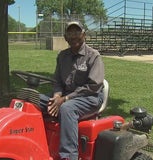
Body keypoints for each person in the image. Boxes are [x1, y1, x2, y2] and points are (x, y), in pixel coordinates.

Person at [40, 20, 105, 160]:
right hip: (66, 96)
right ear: (65, 37)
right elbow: (57, 81)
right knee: (33, 99)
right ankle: (38, 144)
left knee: (67, 108)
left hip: (91, 97)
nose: (73, 36)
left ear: (84, 35)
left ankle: (69, 156)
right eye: (70, 33)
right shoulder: (62, 56)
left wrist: (64, 99)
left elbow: (93, 86)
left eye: (77, 32)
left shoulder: (93, 55)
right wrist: (57, 96)